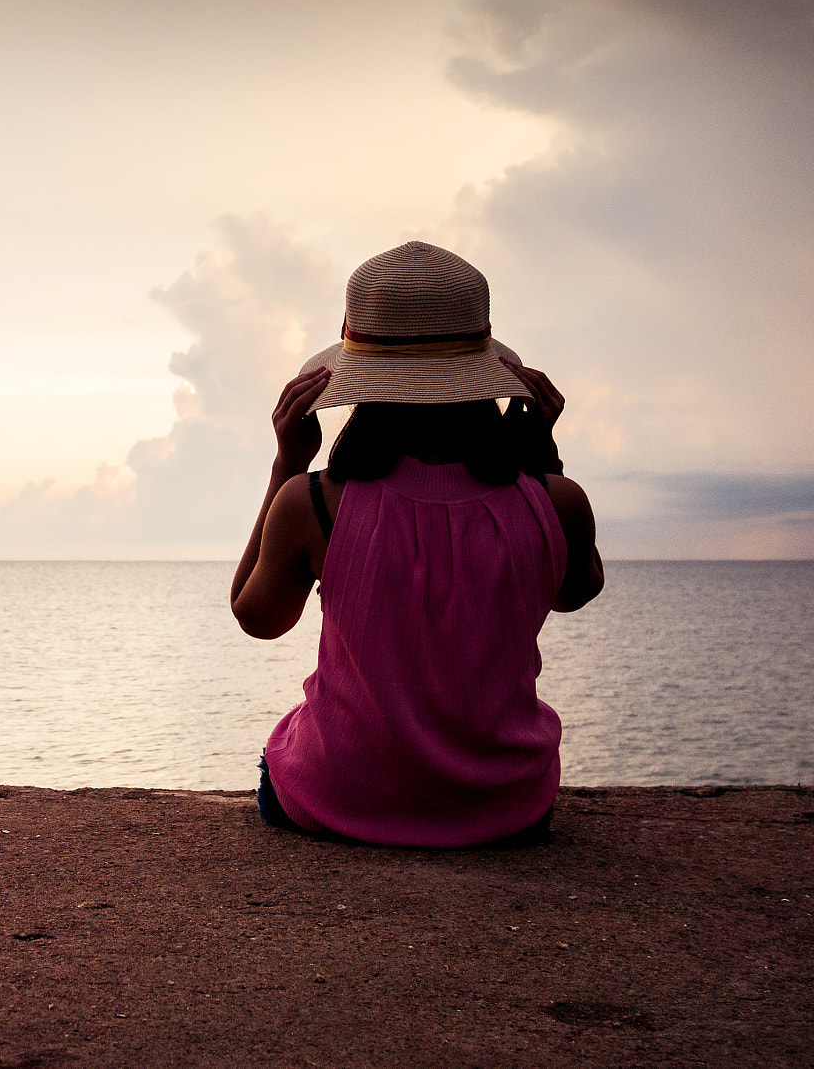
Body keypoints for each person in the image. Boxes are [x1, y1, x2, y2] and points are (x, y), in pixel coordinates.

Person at [230, 241, 603, 848]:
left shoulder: (314, 503)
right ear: (486, 377)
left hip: (340, 798)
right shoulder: (560, 503)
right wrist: (544, 466)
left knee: (289, 748)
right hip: (507, 807)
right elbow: (574, 592)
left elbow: (256, 616)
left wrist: (286, 468)